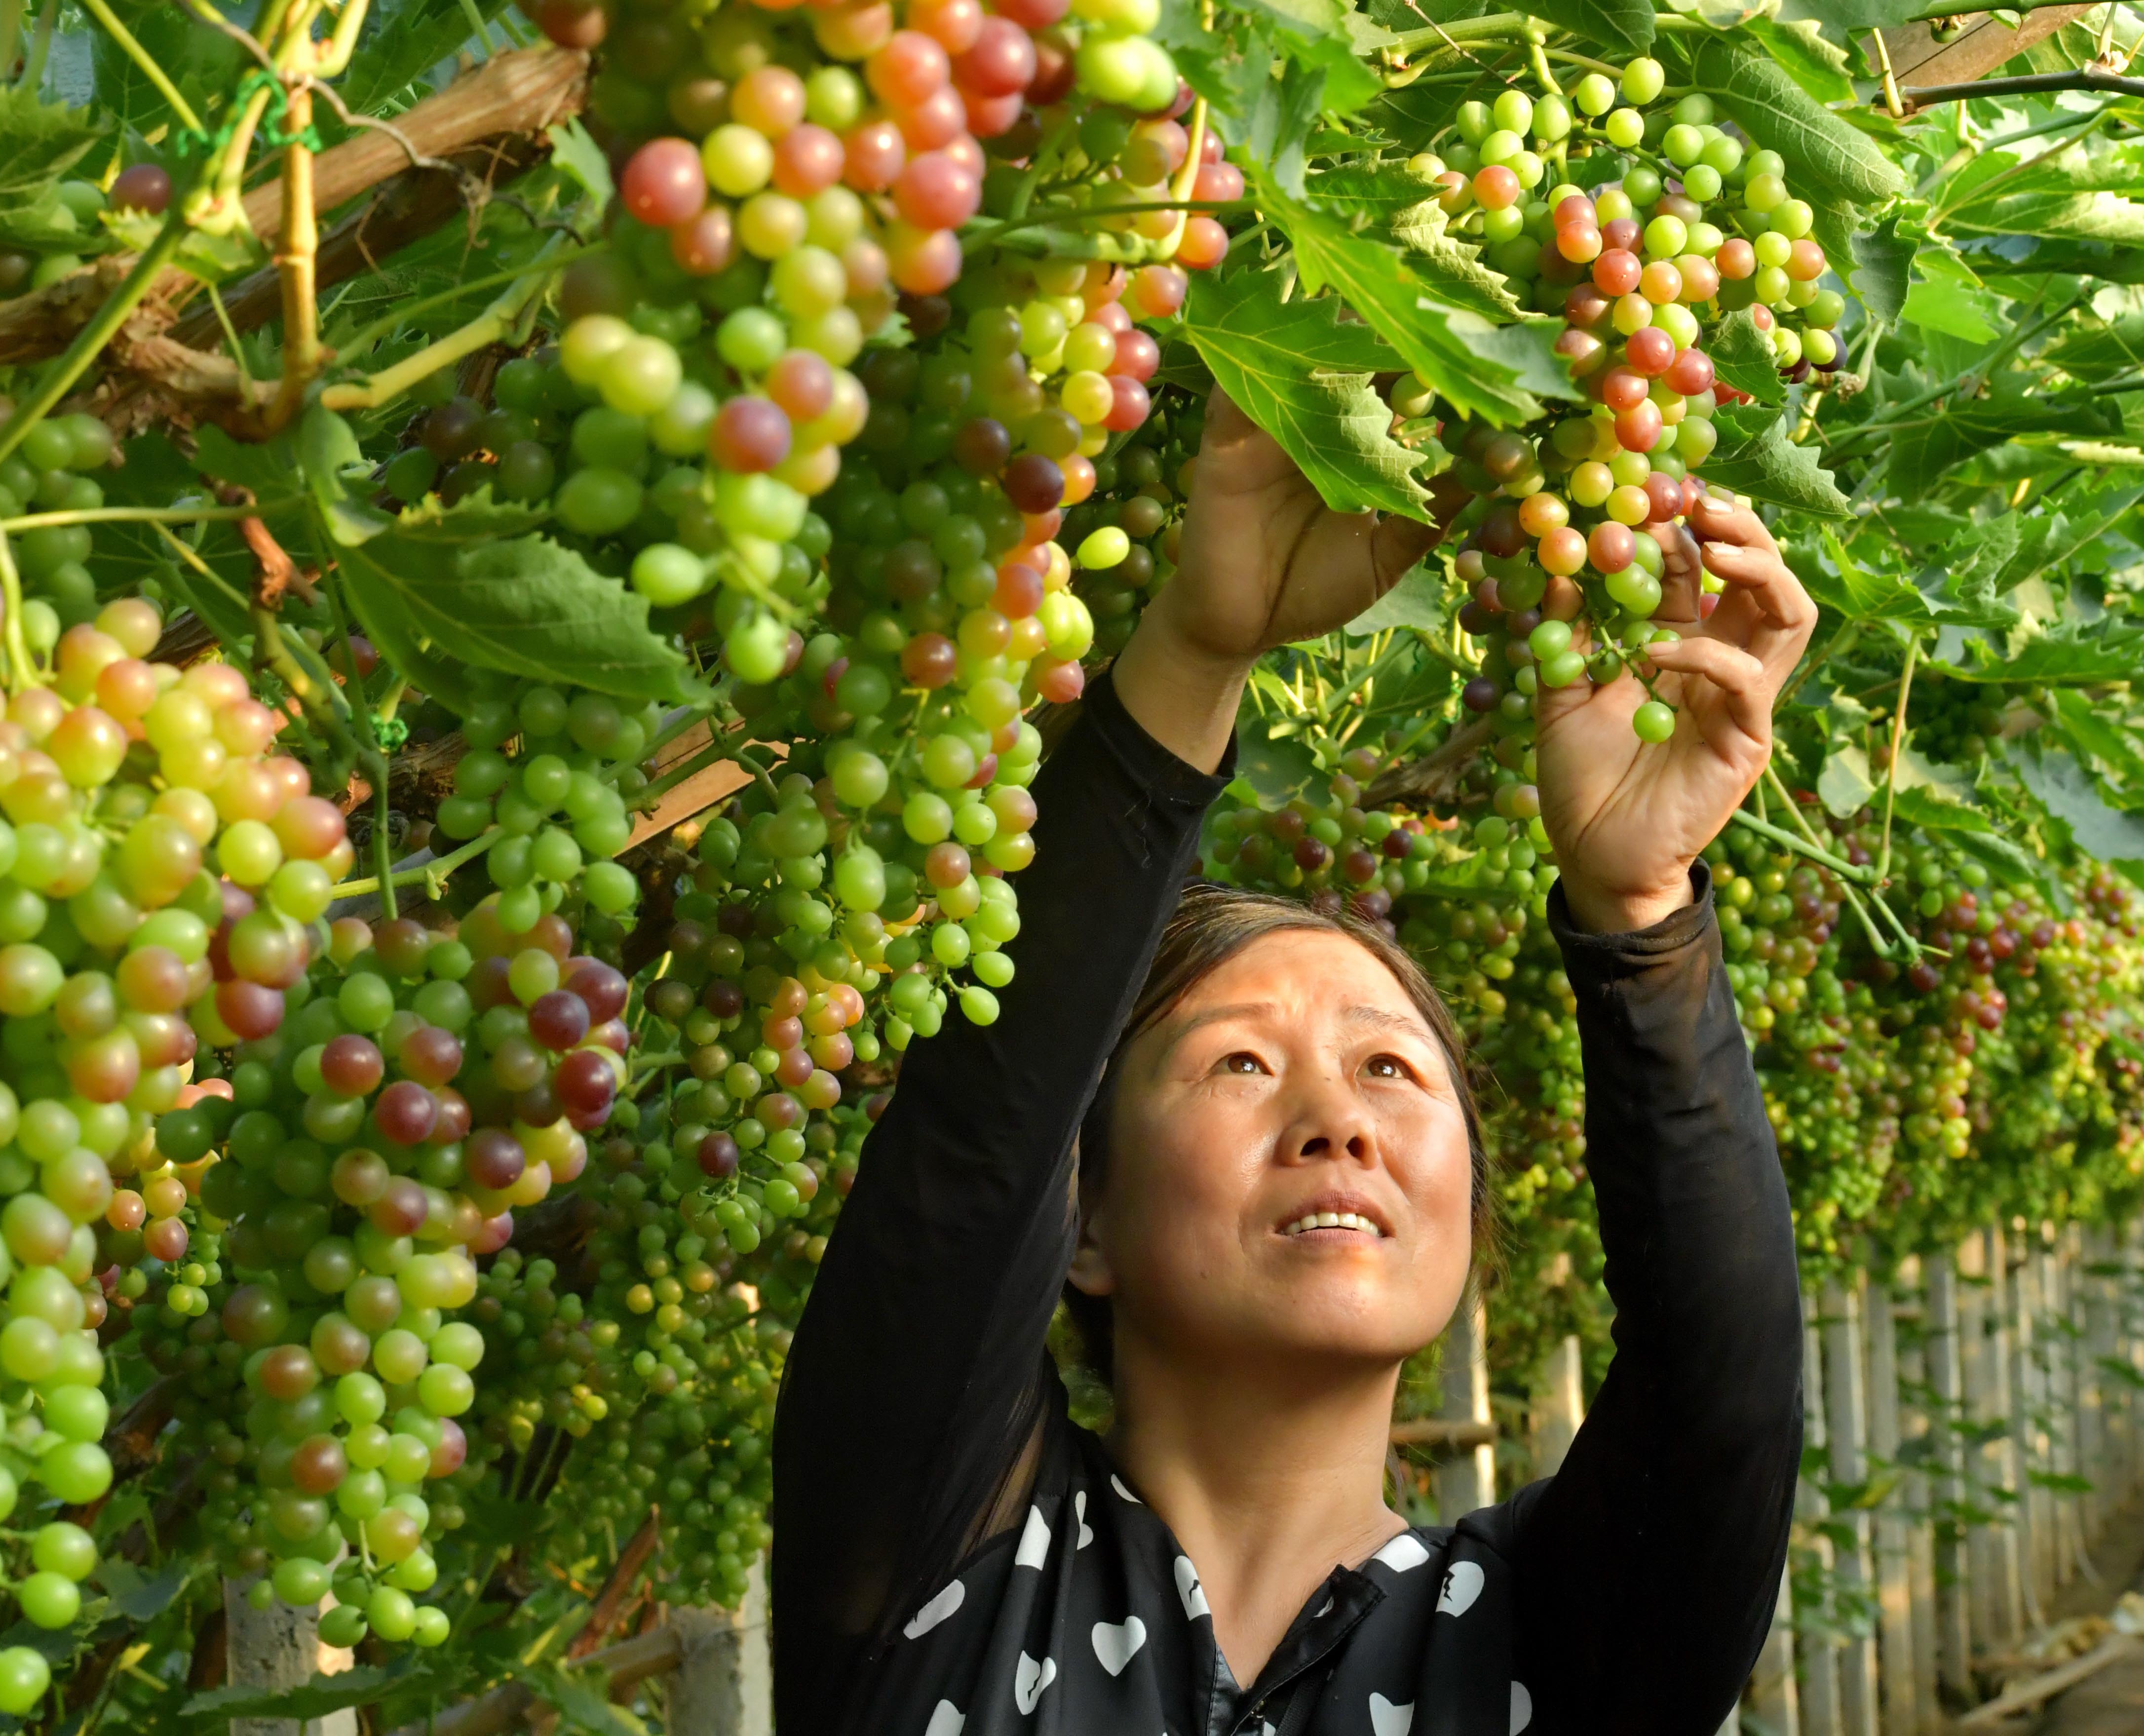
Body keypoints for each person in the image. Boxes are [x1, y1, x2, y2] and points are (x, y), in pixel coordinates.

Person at [773, 389, 1814, 1735]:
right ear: (1080, 1219)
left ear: (1466, 1215)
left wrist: (1639, 914)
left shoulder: (1552, 1645)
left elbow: (1722, 1396)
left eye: (1392, 1072)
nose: (1339, 1120)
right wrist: (1197, 653)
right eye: (1241, 1066)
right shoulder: (934, 1550)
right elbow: (979, 1139)